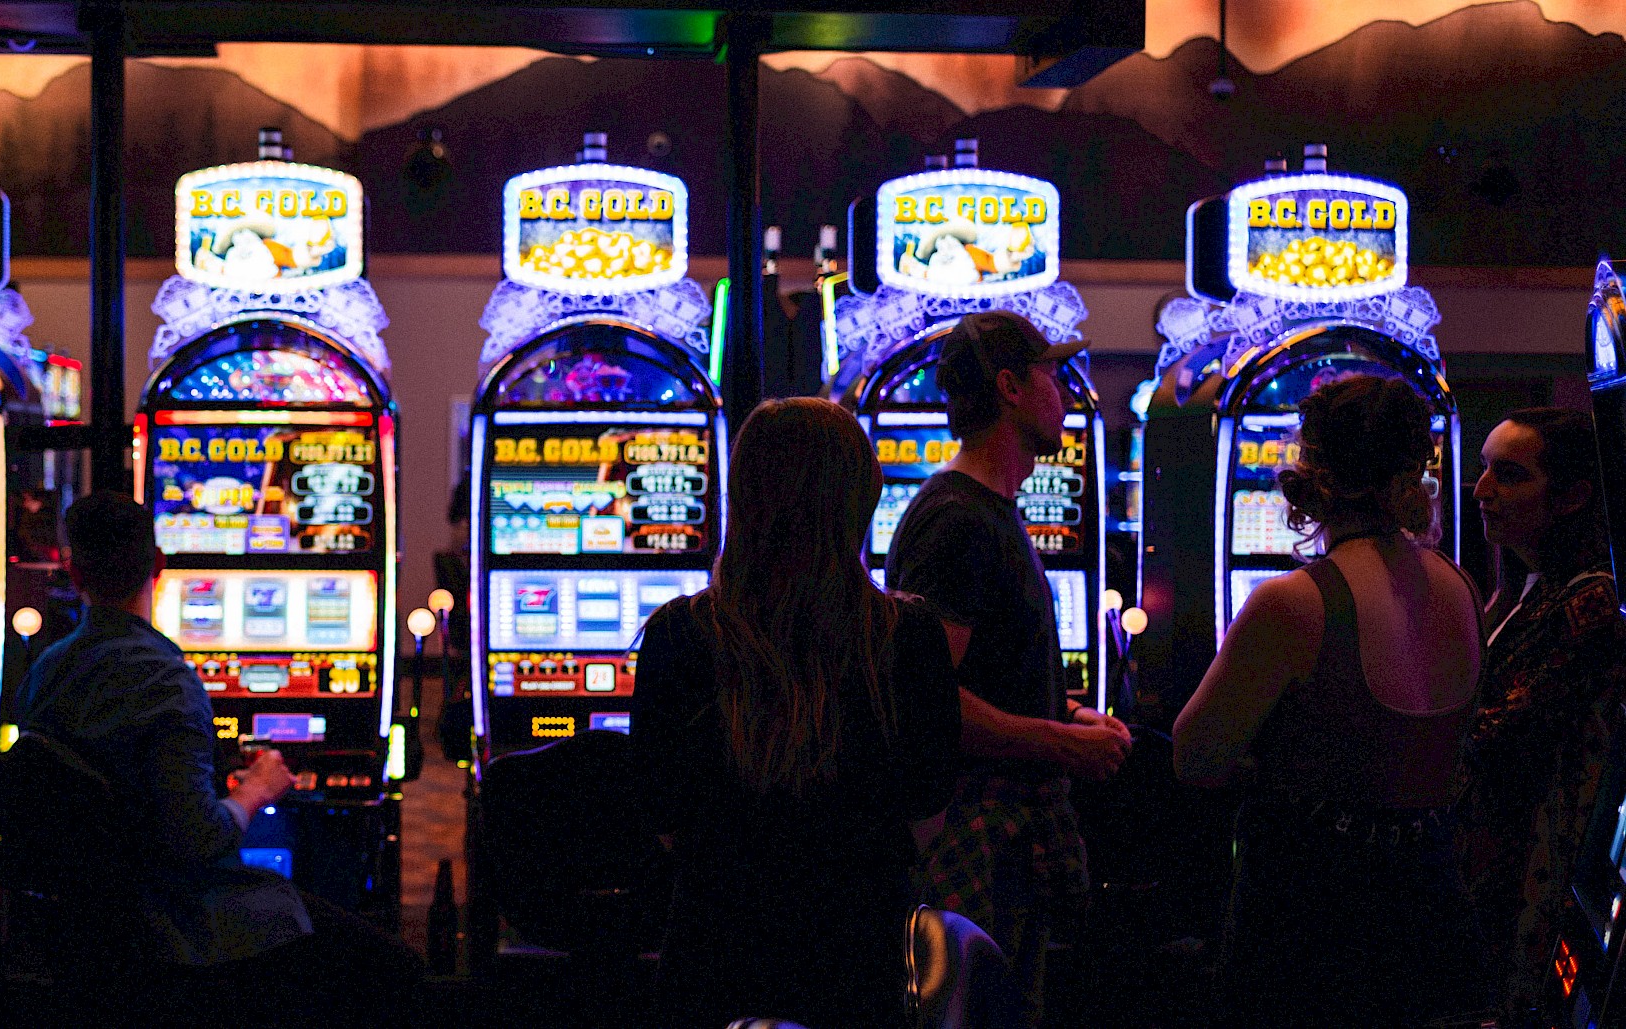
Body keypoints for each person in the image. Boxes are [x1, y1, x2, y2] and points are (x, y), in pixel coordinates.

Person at [12, 490, 422, 1027]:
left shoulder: (47, 671)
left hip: (82, 926)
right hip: (182, 924)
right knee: (396, 967)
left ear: (72, 569)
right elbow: (196, 839)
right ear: (158, 565)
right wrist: (256, 789)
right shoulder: (166, 679)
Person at [631, 397, 963, 1027]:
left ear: (742, 494)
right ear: (860, 499)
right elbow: (927, 812)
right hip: (861, 954)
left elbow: (663, 816)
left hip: (713, 953)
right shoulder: (911, 635)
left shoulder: (679, 633)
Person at [1175, 374, 1488, 1027]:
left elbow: (1194, 756)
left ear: (1313, 467)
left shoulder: (1291, 602)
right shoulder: (1461, 586)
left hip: (1314, 912)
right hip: (1433, 900)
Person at [885, 311, 1131, 1027]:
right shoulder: (957, 520)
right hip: (977, 833)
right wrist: (1060, 743)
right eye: (1052, 372)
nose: (1065, 389)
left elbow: (983, 674)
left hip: (1006, 832)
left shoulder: (986, 508)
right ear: (1010, 386)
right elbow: (932, 699)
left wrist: (1068, 714)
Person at [1454, 408, 1625, 1026]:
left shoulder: (1590, 597)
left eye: (1510, 475)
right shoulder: (1530, 582)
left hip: (1538, 875)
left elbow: (1493, 738)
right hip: (1501, 860)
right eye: (1483, 470)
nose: (1481, 491)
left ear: (1575, 494)